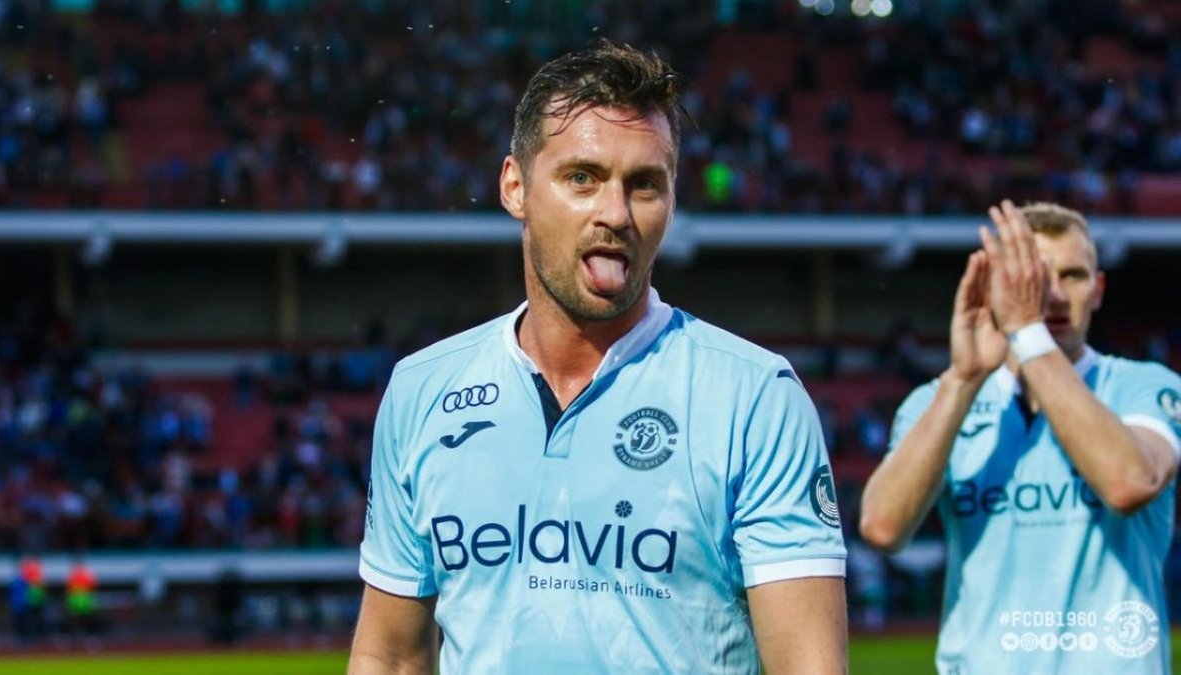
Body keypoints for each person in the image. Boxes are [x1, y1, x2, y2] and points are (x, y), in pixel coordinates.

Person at [349, 41, 847, 674]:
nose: (615, 214)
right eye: (582, 178)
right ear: (515, 187)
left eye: (644, 185)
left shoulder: (754, 398)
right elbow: (391, 657)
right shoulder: (422, 390)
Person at [860, 200, 1181, 673]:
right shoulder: (940, 399)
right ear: (997, 287)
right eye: (1034, 275)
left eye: (1073, 275)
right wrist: (962, 380)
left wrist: (1029, 334)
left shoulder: (1143, 387)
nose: (1053, 294)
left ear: (1098, 289)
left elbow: (1128, 483)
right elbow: (882, 528)